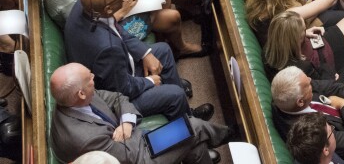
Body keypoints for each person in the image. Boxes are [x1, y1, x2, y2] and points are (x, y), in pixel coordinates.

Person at [64, 0, 214, 120]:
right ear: (108, 9)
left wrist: (145, 53)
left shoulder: (85, 5)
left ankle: (180, 104)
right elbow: (123, 89)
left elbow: (114, 27)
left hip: (116, 69)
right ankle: (188, 120)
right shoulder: (107, 49)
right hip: (118, 99)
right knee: (176, 94)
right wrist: (148, 81)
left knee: (163, 50)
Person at [49, 63, 229, 163]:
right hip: (137, 157)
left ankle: (208, 145)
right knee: (194, 127)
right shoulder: (83, 137)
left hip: (130, 146)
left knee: (195, 145)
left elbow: (116, 97)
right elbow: (133, 156)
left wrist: (127, 121)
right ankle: (229, 134)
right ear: (80, 94)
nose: (93, 77)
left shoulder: (74, 99)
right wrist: (156, 134)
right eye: (90, 78)